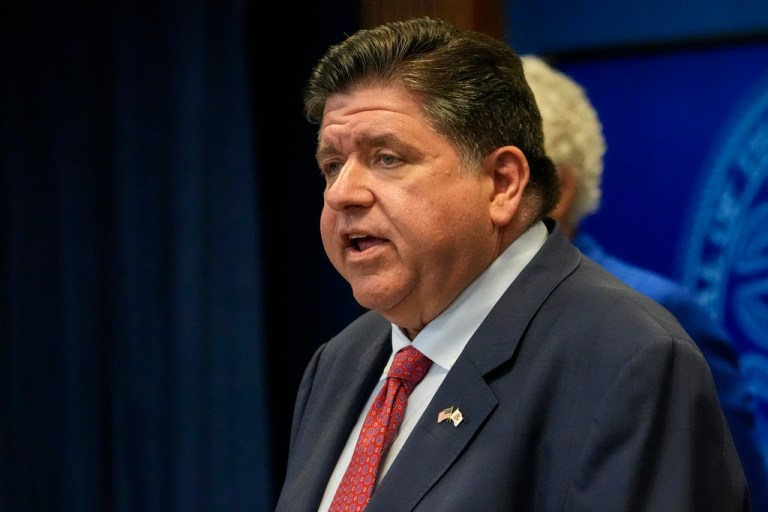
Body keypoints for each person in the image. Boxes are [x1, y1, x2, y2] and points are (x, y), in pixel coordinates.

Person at [276, 17, 749, 511]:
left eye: (387, 158)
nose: (342, 193)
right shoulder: (339, 363)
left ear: (502, 184)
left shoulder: (629, 358)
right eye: (332, 166)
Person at [521, 54, 768, 510]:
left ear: (559, 188)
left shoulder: (657, 313)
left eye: (501, 174)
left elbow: (738, 488)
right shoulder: (430, 316)